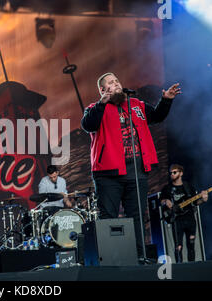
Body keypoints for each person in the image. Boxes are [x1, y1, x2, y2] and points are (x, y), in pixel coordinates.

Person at [80, 72, 181, 260]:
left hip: (136, 171)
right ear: (103, 90)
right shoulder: (95, 108)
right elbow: (88, 125)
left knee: (137, 217)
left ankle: (139, 257)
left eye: (117, 80)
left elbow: (157, 116)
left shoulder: (136, 105)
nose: (116, 84)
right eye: (111, 83)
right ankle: (111, 259)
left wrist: (166, 100)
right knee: (108, 217)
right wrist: (102, 103)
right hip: (108, 174)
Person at [159, 164, 208, 263]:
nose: (172, 174)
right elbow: (161, 201)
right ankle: (179, 268)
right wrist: (165, 201)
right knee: (178, 247)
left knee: (191, 244)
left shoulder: (188, 186)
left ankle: (192, 267)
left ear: (181, 173)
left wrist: (203, 200)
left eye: (174, 172)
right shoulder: (167, 188)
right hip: (177, 220)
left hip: (190, 219)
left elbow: (195, 202)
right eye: (171, 173)